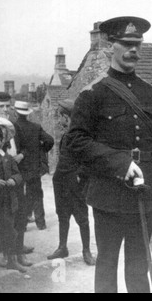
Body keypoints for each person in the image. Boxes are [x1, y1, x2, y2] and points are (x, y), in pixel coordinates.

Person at [65, 16, 152, 293]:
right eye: (126, 44)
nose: (133, 50)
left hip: (145, 194)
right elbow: (76, 141)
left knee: (140, 266)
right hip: (108, 196)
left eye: (137, 44)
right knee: (107, 265)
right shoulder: (93, 94)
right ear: (109, 47)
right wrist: (119, 162)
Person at [47, 99, 95, 266]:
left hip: (74, 184)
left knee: (82, 217)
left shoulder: (80, 136)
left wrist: (79, 177)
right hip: (60, 182)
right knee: (62, 215)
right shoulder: (66, 135)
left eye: (60, 117)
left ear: (66, 117)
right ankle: (62, 247)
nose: (59, 121)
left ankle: (86, 251)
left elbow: (88, 161)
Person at [0, 94, 34, 268]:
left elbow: (27, 146)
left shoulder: (15, 127)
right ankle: (6, 254)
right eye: (1, 106)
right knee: (3, 220)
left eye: (7, 106)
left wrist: (21, 155)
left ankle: (18, 253)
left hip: (15, 177)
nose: (5, 110)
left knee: (19, 216)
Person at [14, 100, 54, 231]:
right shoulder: (36, 127)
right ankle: (40, 223)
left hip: (18, 166)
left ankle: (23, 224)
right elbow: (50, 140)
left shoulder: (13, 127)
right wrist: (41, 150)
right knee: (36, 194)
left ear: (15, 112)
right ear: (27, 114)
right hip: (33, 166)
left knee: (21, 194)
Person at [0, 116, 27, 273]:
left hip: (7, 201)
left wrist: (14, 180)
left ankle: (10, 259)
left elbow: (19, 175)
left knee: (9, 229)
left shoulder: (6, 157)